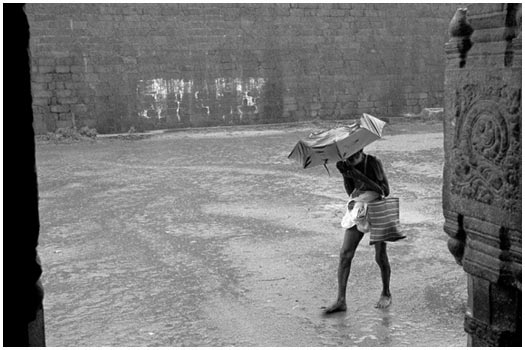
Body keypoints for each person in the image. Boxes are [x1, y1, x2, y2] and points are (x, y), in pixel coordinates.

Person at [323, 149, 392, 314]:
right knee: (345, 254)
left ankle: (386, 292)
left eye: (355, 155)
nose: (351, 158)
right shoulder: (347, 164)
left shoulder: (373, 162)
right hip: (359, 207)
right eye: (348, 156)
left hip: (377, 206)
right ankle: (341, 300)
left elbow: (384, 190)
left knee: (380, 256)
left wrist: (357, 174)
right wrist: (346, 174)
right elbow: (350, 192)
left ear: (361, 150)